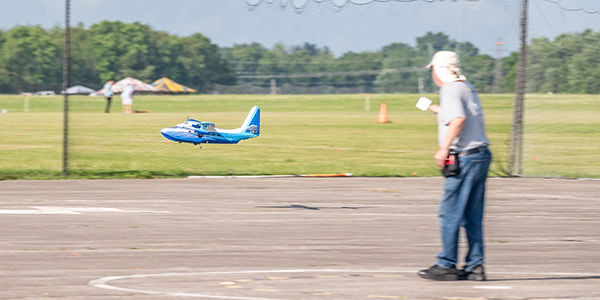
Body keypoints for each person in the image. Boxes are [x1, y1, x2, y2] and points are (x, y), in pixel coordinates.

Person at [417, 51, 492, 281]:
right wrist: (433, 108)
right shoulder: (466, 86)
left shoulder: (449, 89)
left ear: (438, 70)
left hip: (464, 157)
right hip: (480, 154)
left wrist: (444, 148)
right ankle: (475, 266)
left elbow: (458, 120)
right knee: (472, 214)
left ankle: (447, 264)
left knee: (450, 212)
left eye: (433, 70)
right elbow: (456, 113)